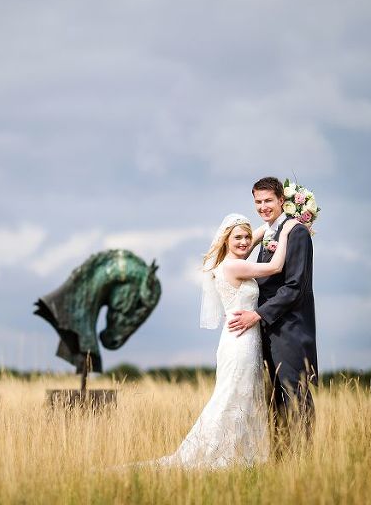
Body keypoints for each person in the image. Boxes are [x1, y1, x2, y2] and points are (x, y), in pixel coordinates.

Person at [110, 213, 298, 471]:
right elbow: (276, 267)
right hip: (239, 342)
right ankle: (218, 454)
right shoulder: (232, 266)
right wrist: (287, 230)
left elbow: (251, 238)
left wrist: (268, 226)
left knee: (243, 398)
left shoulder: (230, 260)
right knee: (230, 397)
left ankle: (240, 455)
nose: (244, 242)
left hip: (244, 339)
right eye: (237, 238)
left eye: (246, 237)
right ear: (226, 241)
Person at [227, 177, 318, 454]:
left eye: (268, 200)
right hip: (268, 330)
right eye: (258, 202)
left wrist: (258, 315)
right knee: (274, 396)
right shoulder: (269, 233)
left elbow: (295, 286)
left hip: (290, 329)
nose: (263, 206)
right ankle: (281, 456)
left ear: (282, 200)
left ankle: (301, 458)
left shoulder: (297, 233)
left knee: (295, 393)